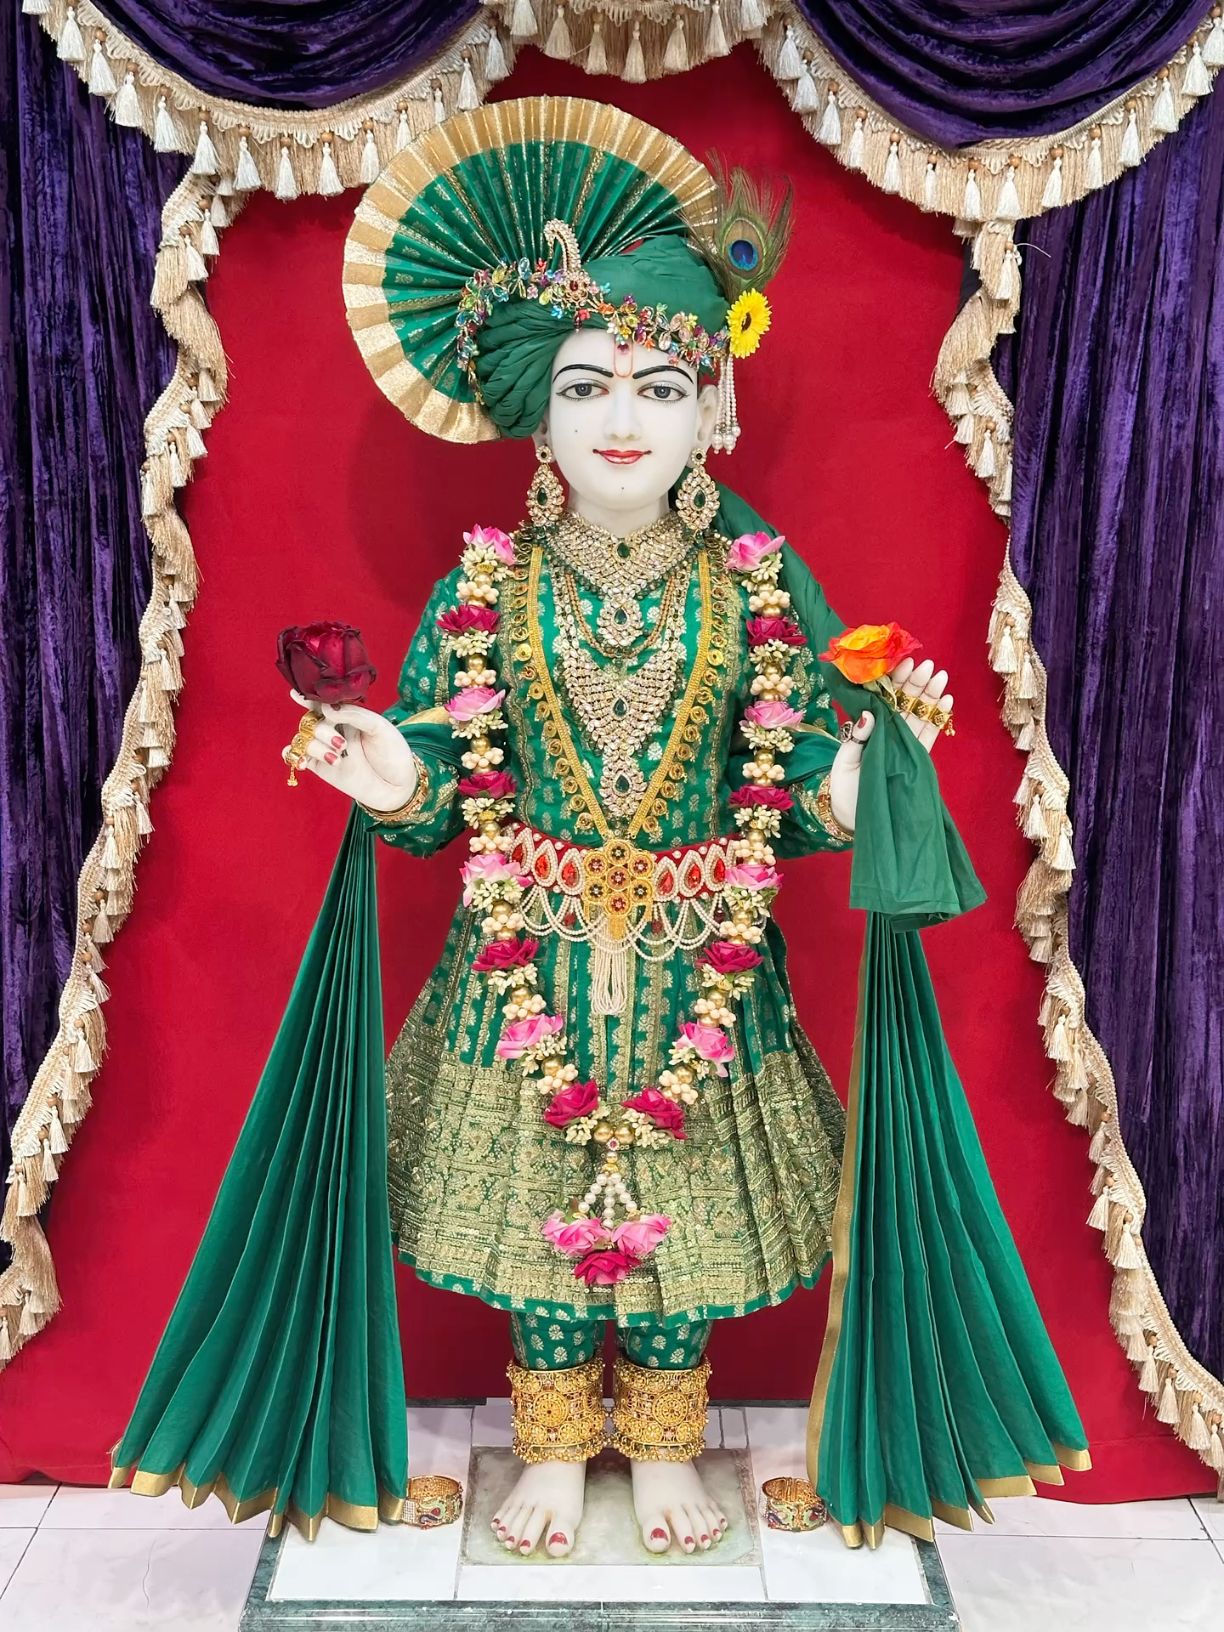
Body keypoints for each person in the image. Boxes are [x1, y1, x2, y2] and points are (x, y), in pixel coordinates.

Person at [112, 96, 1087, 1554]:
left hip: (711, 969)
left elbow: (793, 784)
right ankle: (558, 1452)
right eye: (585, 387)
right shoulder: (483, 588)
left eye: (658, 385)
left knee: (682, 1214)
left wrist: (854, 781)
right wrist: (392, 778)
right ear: (538, 416)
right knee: (540, 1214)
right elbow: (448, 780)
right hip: (526, 964)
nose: (622, 420)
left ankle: (669, 1448)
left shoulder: (759, 582)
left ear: (712, 408)